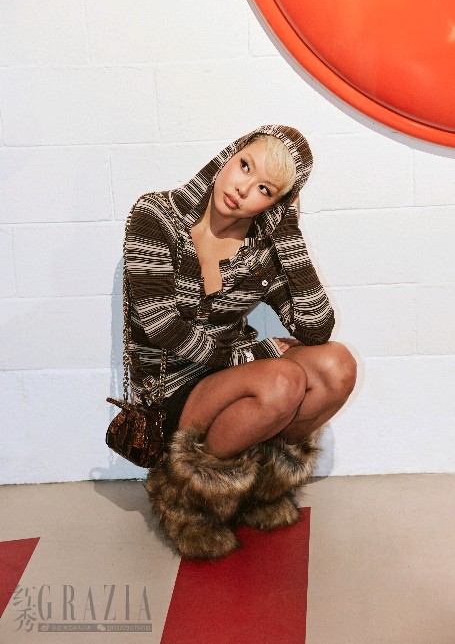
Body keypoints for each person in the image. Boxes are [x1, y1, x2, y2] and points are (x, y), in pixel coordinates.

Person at [124, 124, 357, 560]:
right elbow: (162, 326)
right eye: (245, 166)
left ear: (276, 202)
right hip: (170, 389)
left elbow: (315, 328)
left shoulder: (260, 247)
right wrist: (256, 354)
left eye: (265, 189)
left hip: (232, 374)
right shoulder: (156, 216)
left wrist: (288, 234)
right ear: (228, 156)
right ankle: (185, 496)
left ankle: (257, 491)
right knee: (282, 380)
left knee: (337, 366)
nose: (242, 189)